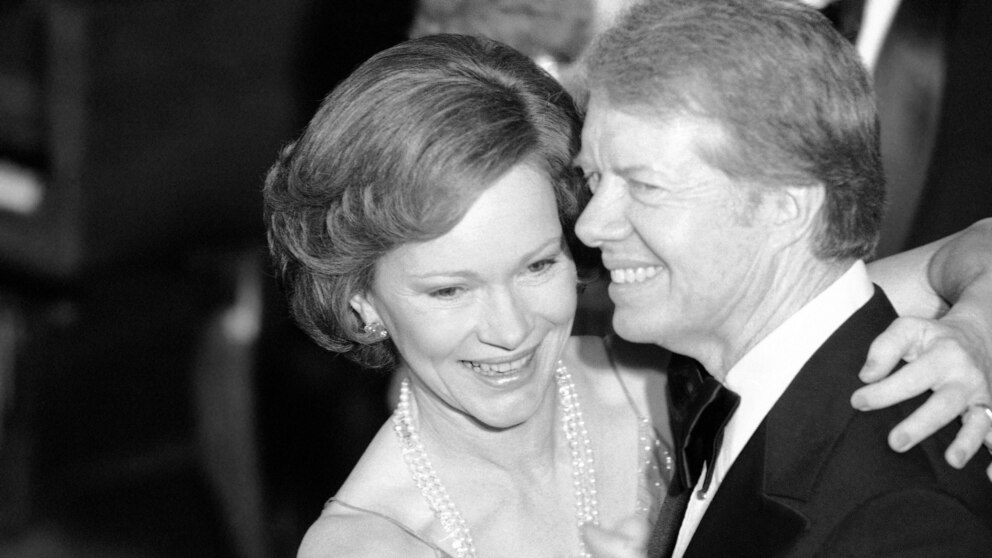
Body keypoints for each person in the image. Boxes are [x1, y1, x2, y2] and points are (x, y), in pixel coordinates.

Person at [264, 34, 992, 558]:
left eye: (537, 266)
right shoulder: (369, 543)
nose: (511, 329)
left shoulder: (651, 348)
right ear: (361, 301)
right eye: (449, 289)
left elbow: (959, 255)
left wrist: (978, 330)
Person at [572, 1, 992, 557]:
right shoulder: (768, 403)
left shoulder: (902, 517)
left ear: (787, 207)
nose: (590, 224)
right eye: (594, 179)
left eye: (643, 185)